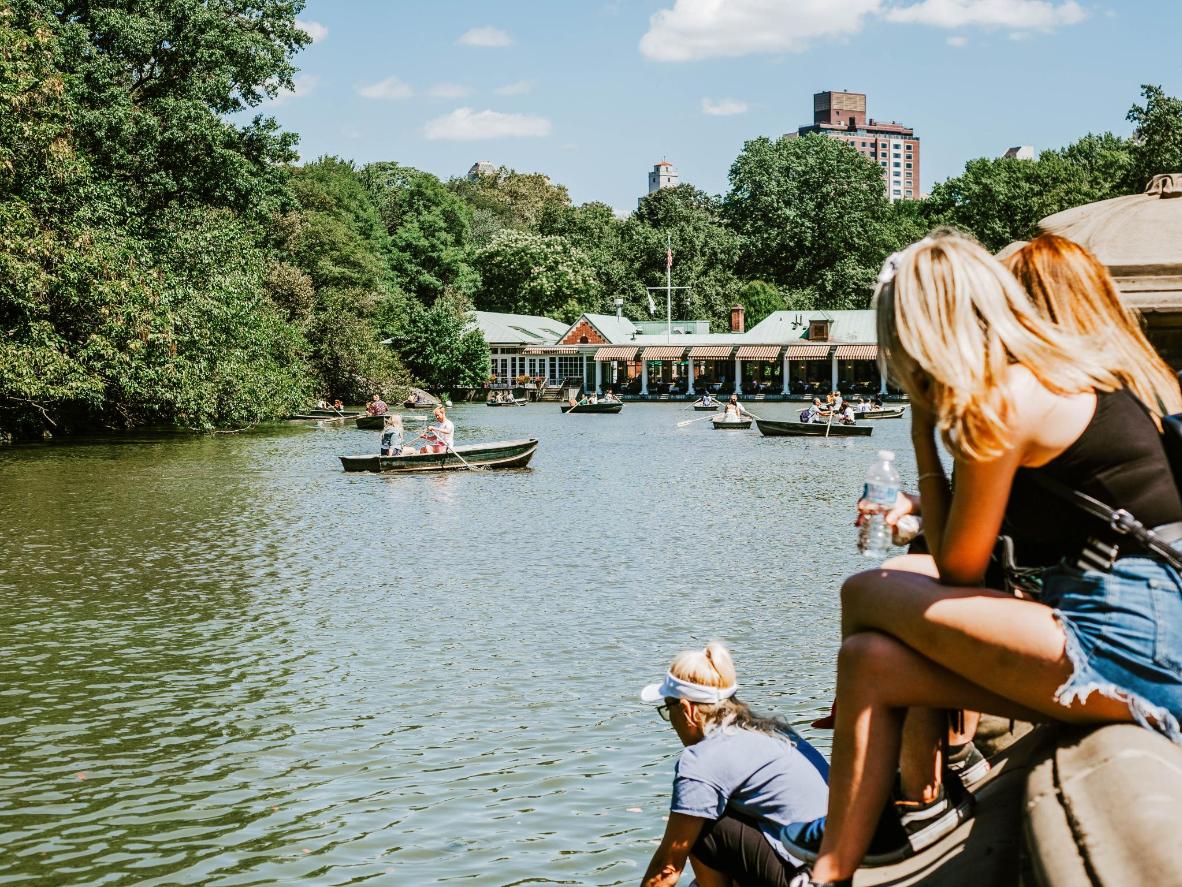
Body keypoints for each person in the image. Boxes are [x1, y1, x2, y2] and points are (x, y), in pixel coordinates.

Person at [782, 231, 1182, 886]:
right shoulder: (1055, 370)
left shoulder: (1001, 401)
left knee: (866, 591)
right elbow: (959, 558)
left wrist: (921, 430)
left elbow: (959, 568)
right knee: (868, 661)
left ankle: (890, 799)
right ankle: (838, 861)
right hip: (1138, 622)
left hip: (1131, 638)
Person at [639, 642, 829, 887]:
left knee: (700, 825)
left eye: (667, 709)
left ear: (686, 710)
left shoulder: (701, 759)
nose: (670, 719)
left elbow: (667, 869)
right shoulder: (775, 732)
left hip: (811, 879)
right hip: (848, 863)